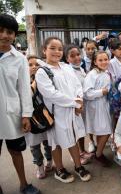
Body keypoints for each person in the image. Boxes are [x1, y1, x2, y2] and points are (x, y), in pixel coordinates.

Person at [35, 37, 91, 183]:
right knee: (56, 142)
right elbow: (51, 94)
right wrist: (75, 103)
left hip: (73, 112)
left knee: (73, 138)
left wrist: (79, 100)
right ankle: (59, 169)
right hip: (56, 114)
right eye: (52, 48)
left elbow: (77, 85)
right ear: (44, 50)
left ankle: (78, 166)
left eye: (59, 49)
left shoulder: (66, 67)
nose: (57, 52)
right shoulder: (42, 71)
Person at [0, 14, 41, 194]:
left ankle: (24, 184)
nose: (4, 35)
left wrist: (26, 114)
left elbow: (24, 89)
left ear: (15, 35)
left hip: (11, 114)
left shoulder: (19, 59)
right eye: (1, 31)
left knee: (16, 152)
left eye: (9, 32)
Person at [64, 44, 94, 164]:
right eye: (72, 56)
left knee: (81, 130)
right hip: (75, 106)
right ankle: (76, 155)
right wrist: (77, 104)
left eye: (78, 54)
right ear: (67, 59)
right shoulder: (67, 71)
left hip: (82, 105)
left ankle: (82, 150)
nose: (77, 58)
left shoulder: (80, 68)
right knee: (74, 131)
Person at [83, 51, 113, 167]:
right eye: (100, 60)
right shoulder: (92, 74)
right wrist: (102, 92)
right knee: (106, 131)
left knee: (102, 131)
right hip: (95, 106)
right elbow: (86, 93)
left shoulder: (105, 73)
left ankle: (98, 152)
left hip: (104, 104)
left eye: (106, 59)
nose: (104, 62)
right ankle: (99, 154)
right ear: (95, 62)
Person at [25, 55, 53, 179]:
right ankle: (39, 165)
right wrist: (35, 82)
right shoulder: (23, 81)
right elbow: (28, 95)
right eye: (30, 65)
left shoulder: (45, 78)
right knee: (34, 145)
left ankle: (50, 161)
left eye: (37, 64)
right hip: (31, 119)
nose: (34, 67)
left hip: (45, 117)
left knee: (48, 142)